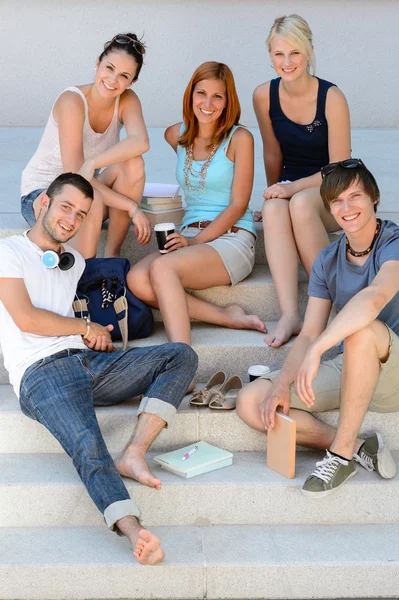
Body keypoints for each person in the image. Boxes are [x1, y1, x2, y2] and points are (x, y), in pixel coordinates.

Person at [0, 173, 198, 563]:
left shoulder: (71, 265)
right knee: (88, 445)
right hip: (41, 375)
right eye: (65, 207)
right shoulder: (9, 253)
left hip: (87, 361)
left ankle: (134, 452)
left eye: (81, 214)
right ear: (43, 203)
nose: (71, 220)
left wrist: (90, 335)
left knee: (181, 356)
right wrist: (85, 327)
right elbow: (27, 319)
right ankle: (133, 530)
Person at [237, 160, 399, 496]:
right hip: (351, 366)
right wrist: (282, 382)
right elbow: (309, 331)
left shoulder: (393, 242)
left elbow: (374, 298)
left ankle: (338, 458)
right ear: (329, 209)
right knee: (253, 401)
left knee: (362, 331)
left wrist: (319, 348)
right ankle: (355, 446)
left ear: (374, 198)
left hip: (392, 368)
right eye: (337, 201)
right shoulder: (328, 259)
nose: (347, 207)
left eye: (355, 196)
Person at [128, 61, 265, 347]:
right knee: (137, 279)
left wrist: (196, 242)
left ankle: (182, 359)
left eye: (218, 96)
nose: (208, 103)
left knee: (163, 270)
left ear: (228, 102)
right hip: (189, 234)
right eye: (201, 93)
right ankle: (224, 316)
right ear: (190, 95)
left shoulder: (240, 139)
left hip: (231, 239)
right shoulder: (176, 135)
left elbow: (239, 204)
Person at [253, 15, 351, 347]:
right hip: (291, 189)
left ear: (308, 52)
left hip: (331, 190)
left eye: (294, 53)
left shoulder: (332, 97)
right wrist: (271, 195)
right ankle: (290, 314)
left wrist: (291, 188)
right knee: (278, 209)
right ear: (269, 55)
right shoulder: (263, 95)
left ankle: (332, 305)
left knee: (299, 203)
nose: (287, 62)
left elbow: (338, 169)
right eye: (279, 54)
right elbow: (272, 154)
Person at [20, 33, 151, 259]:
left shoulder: (127, 99)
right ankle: (87, 275)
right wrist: (131, 206)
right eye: (109, 67)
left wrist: (93, 162)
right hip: (43, 195)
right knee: (93, 197)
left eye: (124, 76)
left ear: (132, 82)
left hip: (87, 191)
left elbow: (140, 142)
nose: (112, 80)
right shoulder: (72, 100)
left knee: (134, 163)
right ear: (97, 63)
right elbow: (76, 175)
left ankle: (112, 257)